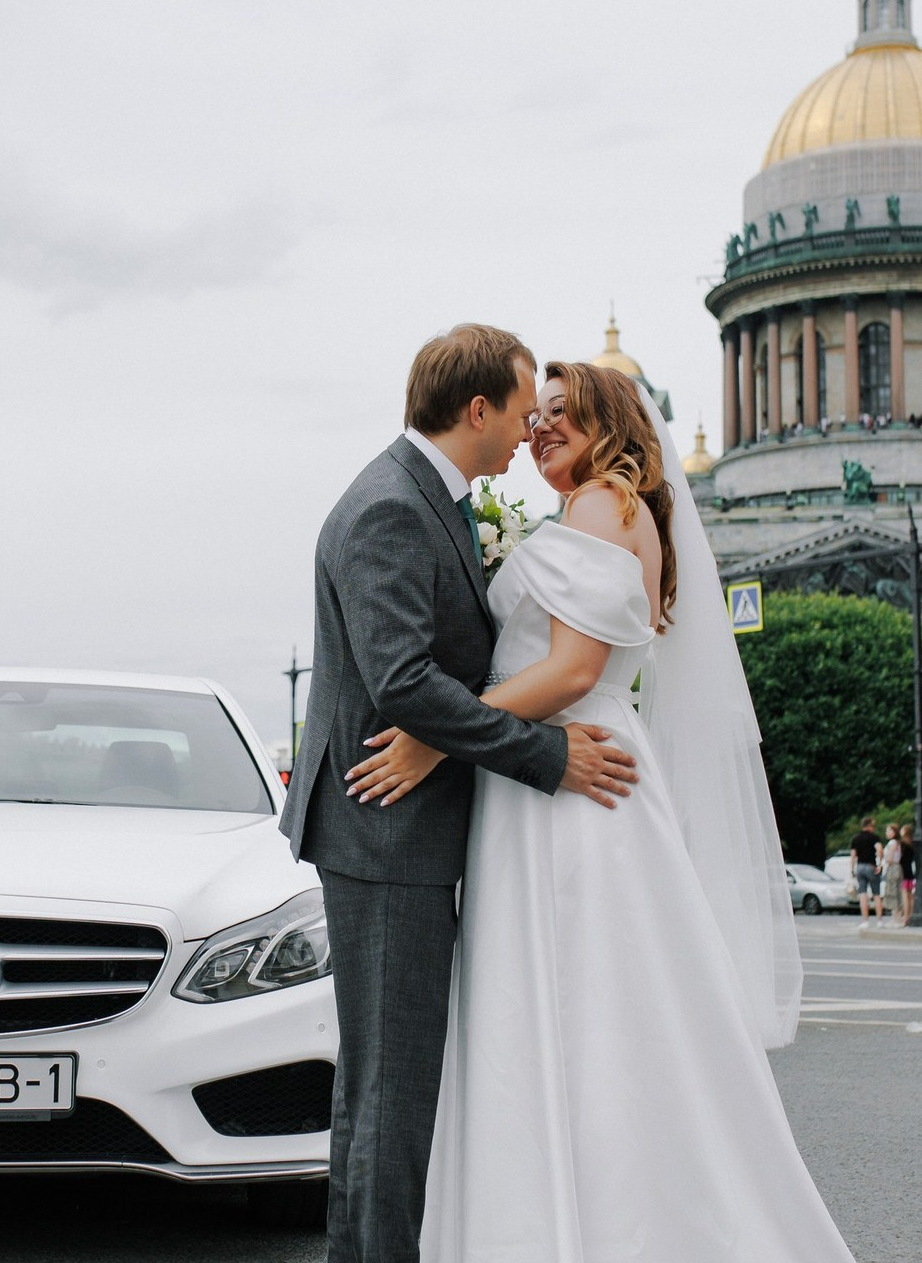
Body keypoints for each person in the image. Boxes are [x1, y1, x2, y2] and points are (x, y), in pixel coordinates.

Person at [349, 361, 856, 1261]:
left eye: (560, 415)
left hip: (572, 780)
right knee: (602, 1009)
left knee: (574, 1007)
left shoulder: (602, 504)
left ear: (610, 424)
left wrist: (439, 735)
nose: (540, 429)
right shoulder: (609, 508)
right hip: (559, 774)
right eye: (533, 415)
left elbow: (574, 671)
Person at [278, 326, 640, 1263]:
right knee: (392, 1095)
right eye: (524, 410)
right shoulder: (391, 506)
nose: (530, 429)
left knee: (380, 1090)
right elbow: (401, 682)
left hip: (396, 832)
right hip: (385, 834)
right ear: (476, 409)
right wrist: (546, 756)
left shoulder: (428, 498)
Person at [851, 815, 884, 925]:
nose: (874, 828)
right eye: (873, 825)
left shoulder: (856, 838)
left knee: (863, 894)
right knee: (876, 894)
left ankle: (865, 921)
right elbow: (879, 850)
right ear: (869, 826)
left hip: (860, 867)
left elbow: (853, 856)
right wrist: (879, 863)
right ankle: (879, 921)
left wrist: (851, 870)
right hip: (871, 866)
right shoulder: (874, 838)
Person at [881, 822, 903, 924]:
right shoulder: (897, 842)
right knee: (897, 891)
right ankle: (896, 917)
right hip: (897, 867)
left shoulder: (892, 843)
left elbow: (889, 858)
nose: (887, 832)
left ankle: (895, 918)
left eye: (889, 830)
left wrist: (882, 857)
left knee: (892, 891)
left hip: (892, 868)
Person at [898, 822, 917, 926]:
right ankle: (910, 916)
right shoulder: (913, 845)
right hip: (910, 871)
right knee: (911, 896)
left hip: (903, 871)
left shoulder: (902, 844)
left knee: (905, 895)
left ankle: (905, 918)